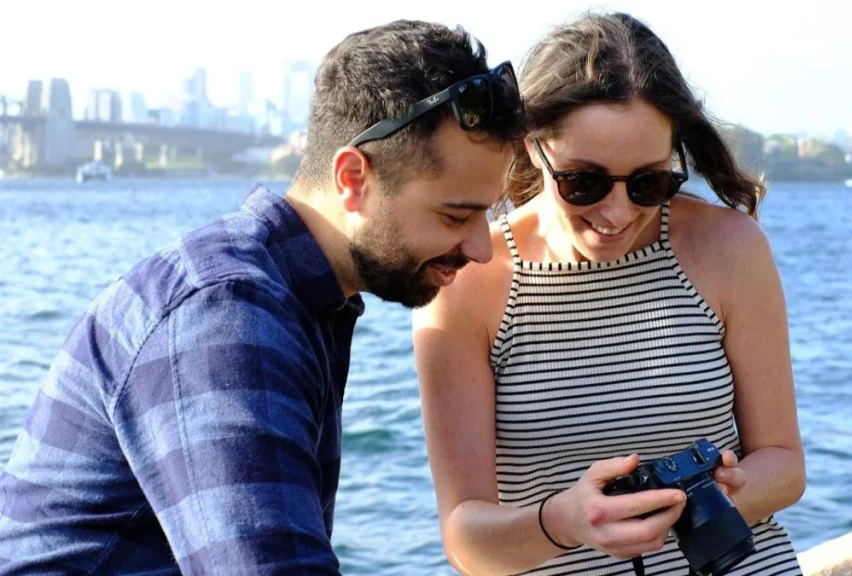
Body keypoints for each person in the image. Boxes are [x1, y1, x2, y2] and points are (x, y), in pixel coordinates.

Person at [0, 19, 524, 575]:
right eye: (455, 214)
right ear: (352, 178)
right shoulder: (226, 315)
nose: (480, 248)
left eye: (486, 215)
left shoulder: (297, 300)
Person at [412, 11, 805, 576]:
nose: (617, 213)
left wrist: (693, 499)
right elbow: (468, 541)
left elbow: (785, 466)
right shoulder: (471, 281)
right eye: (583, 182)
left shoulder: (730, 248)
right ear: (530, 147)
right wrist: (565, 522)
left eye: (649, 182)